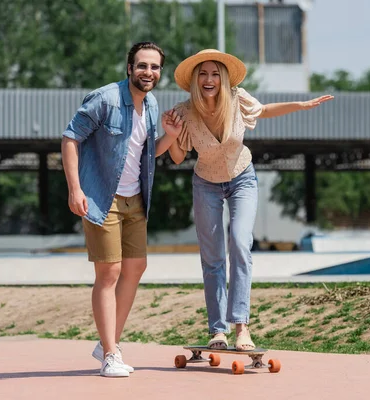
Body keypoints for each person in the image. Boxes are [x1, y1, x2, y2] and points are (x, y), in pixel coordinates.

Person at [162, 49, 333, 351]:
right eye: (203, 74)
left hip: (242, 177)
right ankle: (218, 331)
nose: (209, 79)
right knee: (213, 257)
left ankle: (242, 327)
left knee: (240, 242)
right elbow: (177, 157)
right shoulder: (184, 112)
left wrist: (301, 104)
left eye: (215, 73)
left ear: (224, 78)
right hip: (206, 184)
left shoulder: (237, 99)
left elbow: (265, 110)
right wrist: (171, 133)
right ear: (195, 80)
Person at [61, 41, 181, 377]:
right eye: (142, 66)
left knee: (136, 267)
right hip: (103, 197)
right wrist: (75, 188)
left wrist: (170, 136)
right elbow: (70, 138)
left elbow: (146, 153)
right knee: (109, 273)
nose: (148, 72)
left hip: (135, 200)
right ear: (129, 68)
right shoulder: (106, 99)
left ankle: (107, 342)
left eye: (155, 67)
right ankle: (111, 354)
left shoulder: (153, 105)